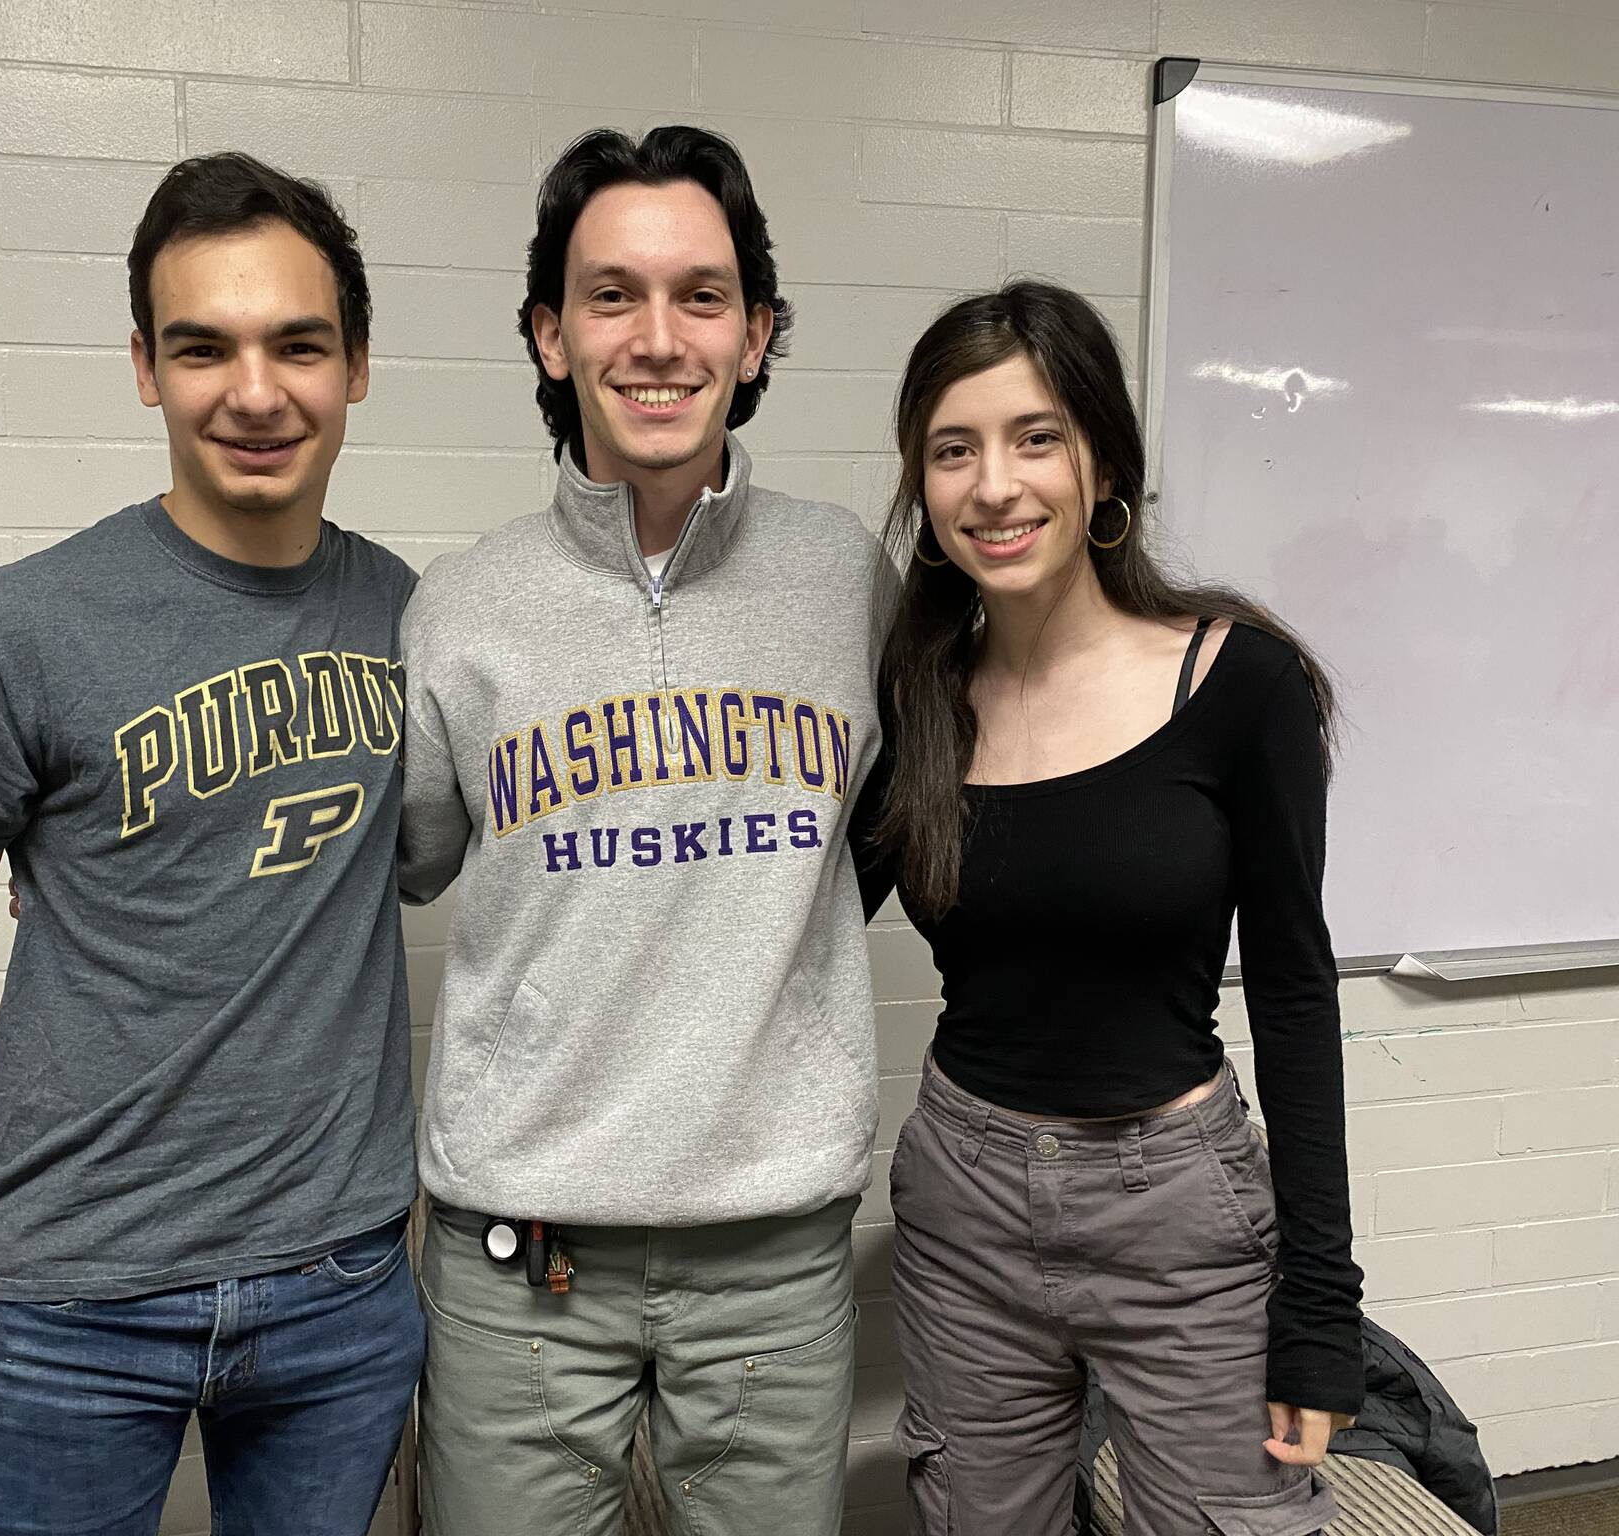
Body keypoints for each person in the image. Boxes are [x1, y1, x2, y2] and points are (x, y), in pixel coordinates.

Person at [0, 152, 423, 1536]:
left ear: (356, 365)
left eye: (298, 344)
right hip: (69, 1300)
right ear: (143, 368)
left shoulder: (413, 616)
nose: (253, 391)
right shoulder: (20, 628)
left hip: (340, 1289)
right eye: (202, 347)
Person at [397, 125, 886, 1536]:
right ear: (551, 335)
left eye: (703, 296)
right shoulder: (462, 608)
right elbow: (409, 862)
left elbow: (897, 824)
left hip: (773, 1253)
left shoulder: (849, 580)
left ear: (758, 335)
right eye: (611, 295)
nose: (658, 339)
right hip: (520, 1257)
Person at [858, 280, 1364, 1536]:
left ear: (1103, 461)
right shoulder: (920, 692)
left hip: (1175, 1210)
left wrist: (1318, 1312)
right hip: (963, 1198)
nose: (993, 486)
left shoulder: (1235, 682)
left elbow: (1296, 993)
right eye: (951, 449)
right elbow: (789, 917)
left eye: (1036, 437)